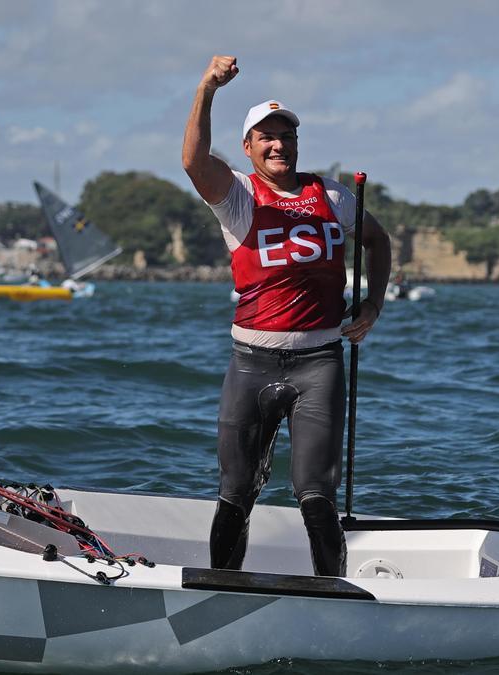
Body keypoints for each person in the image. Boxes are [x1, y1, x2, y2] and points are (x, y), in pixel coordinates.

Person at [183, 55, 391, 577]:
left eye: (287, 136)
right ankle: (222, 591)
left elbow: (378, 240)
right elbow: (192, 160)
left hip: (319, 362)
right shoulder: (237, 197)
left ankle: (334, 595)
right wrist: (208, 86)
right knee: (236, 491)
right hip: (251, 362)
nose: (279, 145)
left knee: (316, 493)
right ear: (248, 148)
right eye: (266, 137)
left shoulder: (334, 196)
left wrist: (373, 304)